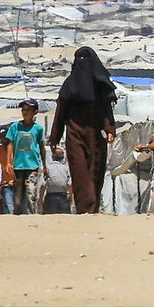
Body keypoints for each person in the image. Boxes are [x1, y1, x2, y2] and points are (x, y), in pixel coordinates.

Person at [51, 47, 117, 214]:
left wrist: (110, 129)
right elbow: (60, 113)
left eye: (85, 58)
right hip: (75, 135)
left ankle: (92, 209)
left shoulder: (100, 84)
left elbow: (106, 109)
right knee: (80, 173)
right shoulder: (69, 85)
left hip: (96, 137)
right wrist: (54, 138)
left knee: (95, 172)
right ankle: (84, 209)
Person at [4, 98, 49, 216]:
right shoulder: (15, 127)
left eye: (28, 110)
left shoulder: (38, 129)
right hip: (18, 166)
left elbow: (42, 147)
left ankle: (30, 217)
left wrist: (44, 166)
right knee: (18, 197)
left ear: (35, 112)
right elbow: (10, 143)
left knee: (31, 193)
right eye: (23, 110)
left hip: (32, 166)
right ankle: (17, 216)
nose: (25, 112)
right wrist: (8, 162)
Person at [39, 146, 73, 214]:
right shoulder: (65, 169)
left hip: (50, 198)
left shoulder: (48, 168)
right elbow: (69, 185)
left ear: (52, 157)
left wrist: (40, 199)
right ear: (63, 157)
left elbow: (43, 185)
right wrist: (71, 197)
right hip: (63, 197)